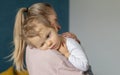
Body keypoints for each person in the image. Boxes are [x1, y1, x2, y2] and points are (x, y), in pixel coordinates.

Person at [11, 2, 93, 75]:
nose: (59, 27)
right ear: (43, 22)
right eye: (55, 20)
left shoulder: (31, 48)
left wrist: (74, 47)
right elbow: (84, 70)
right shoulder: (50, 54)